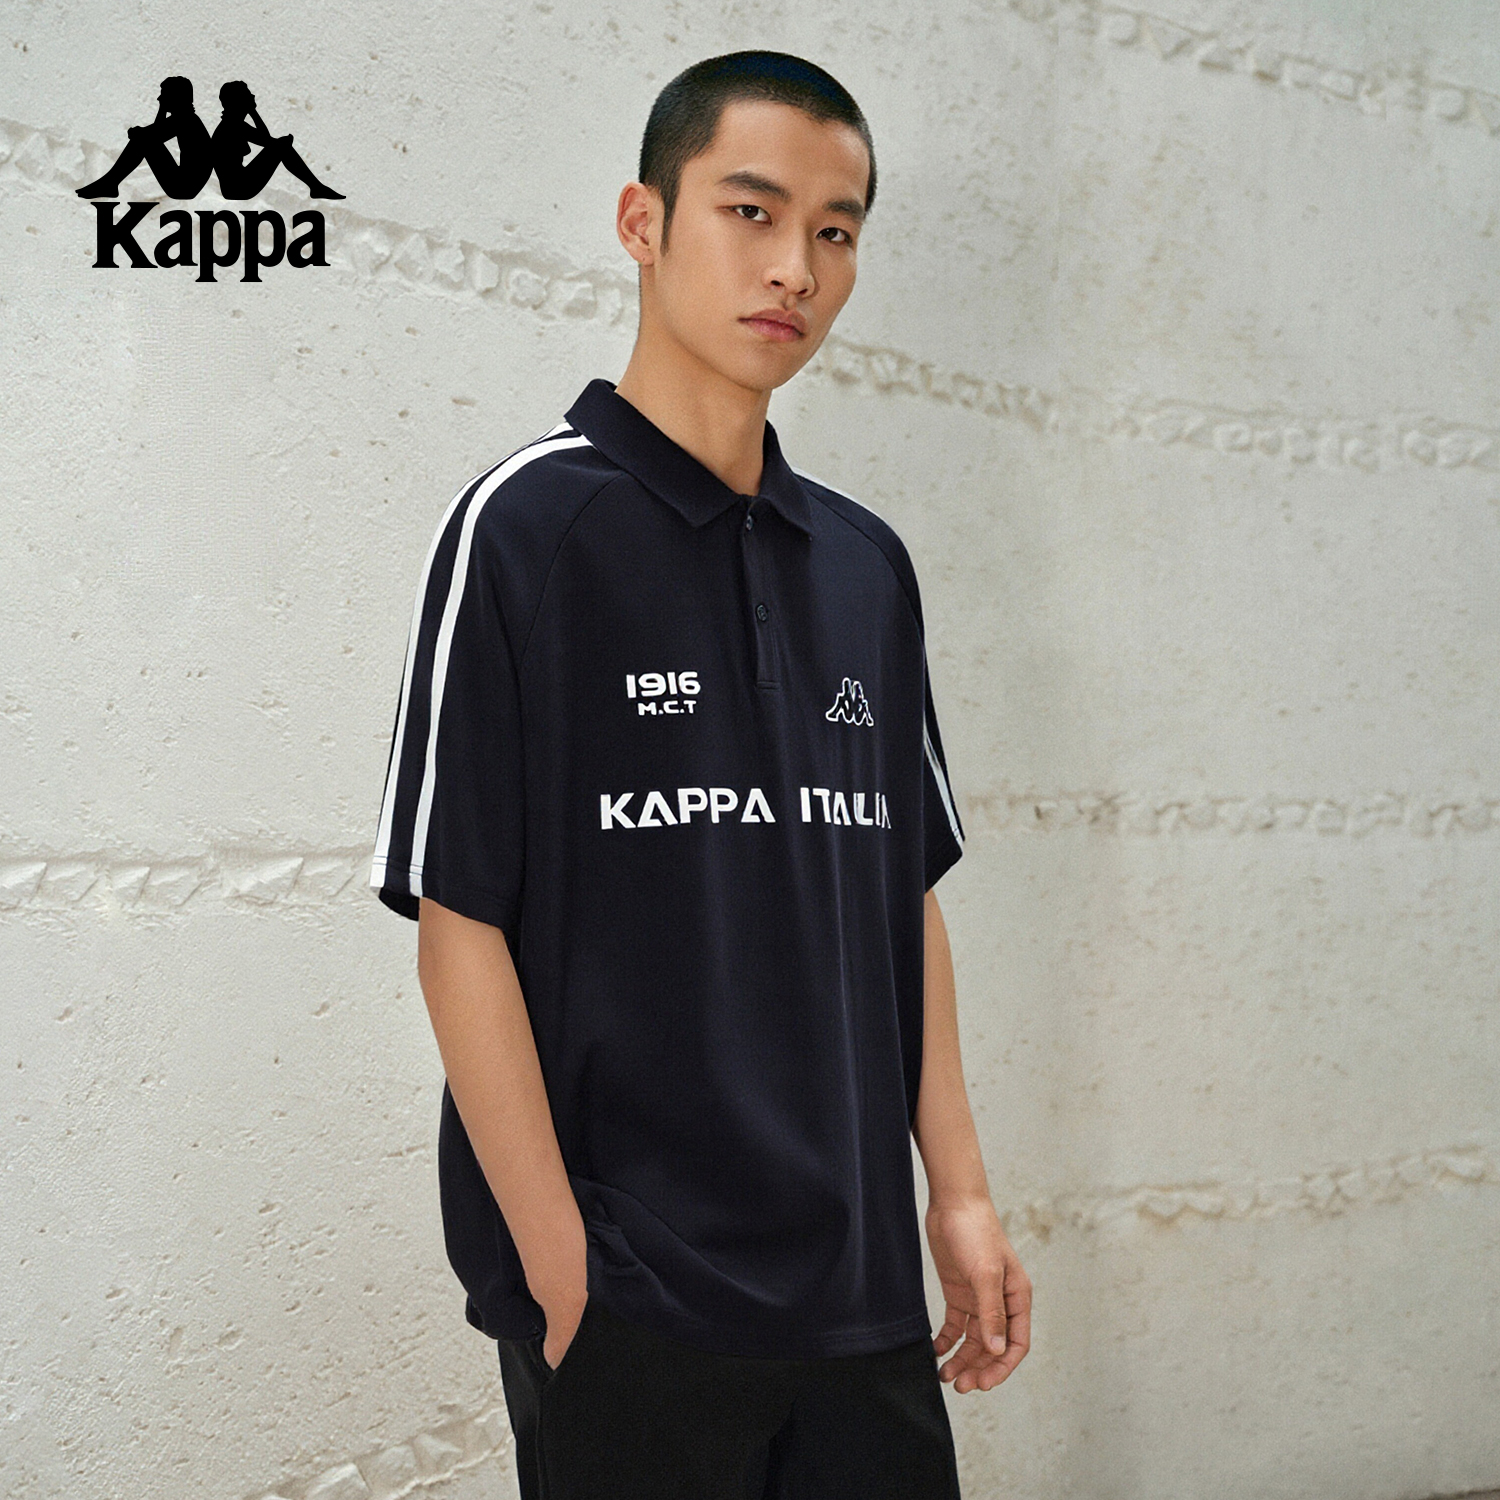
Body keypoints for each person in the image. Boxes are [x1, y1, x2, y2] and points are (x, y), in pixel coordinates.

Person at [369, 49, 1030, 1499]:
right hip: (635, 1301)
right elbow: (458, 922)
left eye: (836, 230)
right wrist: (564, 1267)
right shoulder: (525, 530)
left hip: (859, 1291)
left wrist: (961, 1196)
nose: (795, 267)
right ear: (644, 223)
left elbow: (901, 900)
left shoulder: (865, 565)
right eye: (751, 211)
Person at [75, 75, 214, 199]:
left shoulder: (185, 120)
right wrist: (148, 126)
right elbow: (156, 133)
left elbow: (153, 135)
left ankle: (110, 183)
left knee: (142, 140)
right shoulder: (186, 118)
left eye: (164, 95)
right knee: (143, 139)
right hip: (185, 185)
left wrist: (141, 131)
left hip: (183, 187)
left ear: (175, 97)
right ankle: (110, 183)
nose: (159, 98)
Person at [210, 80, 344, 199]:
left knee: (282, 145)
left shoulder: (233, 124)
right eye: (248, 94)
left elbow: (266, 140)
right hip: (239, 188)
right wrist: (253, 112)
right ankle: (316, 187)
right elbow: (268, 141)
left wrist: (253, 112)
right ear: (239, 101)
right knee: (282, 146)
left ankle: (316, 187)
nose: (253, 96)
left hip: (236, 187)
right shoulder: (233, 126)